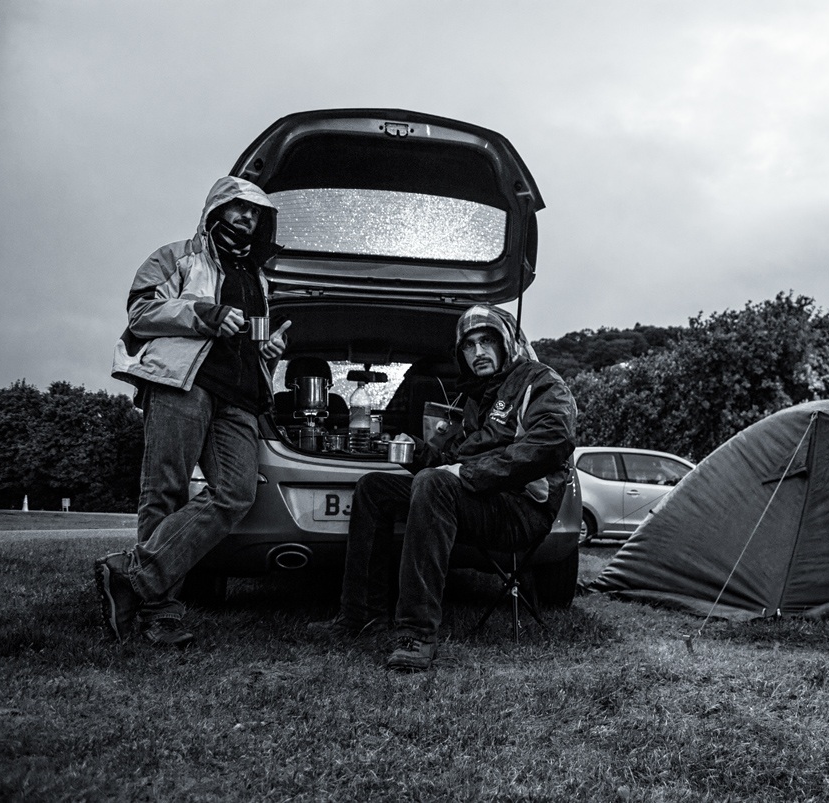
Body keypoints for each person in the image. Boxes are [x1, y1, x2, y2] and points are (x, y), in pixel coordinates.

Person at [312, 304, 577, 672]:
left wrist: (471, 475)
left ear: (508, 342)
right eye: (468, 346)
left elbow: (553, 440)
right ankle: (360, 617)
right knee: (374, 488)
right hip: (479, 499)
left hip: (521, 509)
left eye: (487, 341)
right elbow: (454, 458)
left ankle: (417, 634)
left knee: (436, 484)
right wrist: (416, 450)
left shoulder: (541, 382)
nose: (478, 353)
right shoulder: (476, 398)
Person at [95, 176, 289, 649]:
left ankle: (130, 577)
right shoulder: (176, 256)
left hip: (240, 397)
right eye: (239, 208)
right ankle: (159, 613)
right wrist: (204, 313)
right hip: (185, 384)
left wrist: (271, 350)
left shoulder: (259, 277)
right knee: (165, 491)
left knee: (236, 494)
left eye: (256, 212)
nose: (248, 217)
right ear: (216, 209)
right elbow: (141, 311)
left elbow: (252, 342)